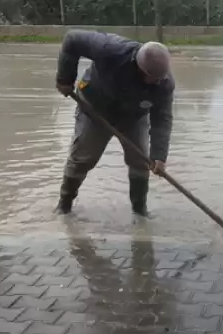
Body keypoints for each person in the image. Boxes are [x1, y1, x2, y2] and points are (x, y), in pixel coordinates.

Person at [54, 30, 175, 216]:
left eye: (161, 78)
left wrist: (159, 156)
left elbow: (162, 119)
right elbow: (72, 39)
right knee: (83, 157)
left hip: (134, 115)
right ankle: (64, 205)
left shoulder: (165, 84)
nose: (158, 82)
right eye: (153, 78)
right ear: (140, 68)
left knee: (141, 161)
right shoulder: (110, 50)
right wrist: (65, 78)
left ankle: (140, 210)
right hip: (95, 108)